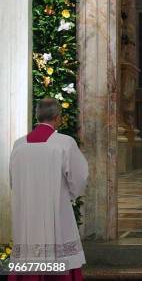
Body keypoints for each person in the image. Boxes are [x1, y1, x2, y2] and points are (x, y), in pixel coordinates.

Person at [9, 98, 89, 281]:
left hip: (27, 211)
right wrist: (70, 194)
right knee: (58, 247)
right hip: (55, 209)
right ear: (57, 117)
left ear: (38, 116)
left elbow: (14, 179)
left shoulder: (19, 145)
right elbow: (80, 176)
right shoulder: (64, 143)